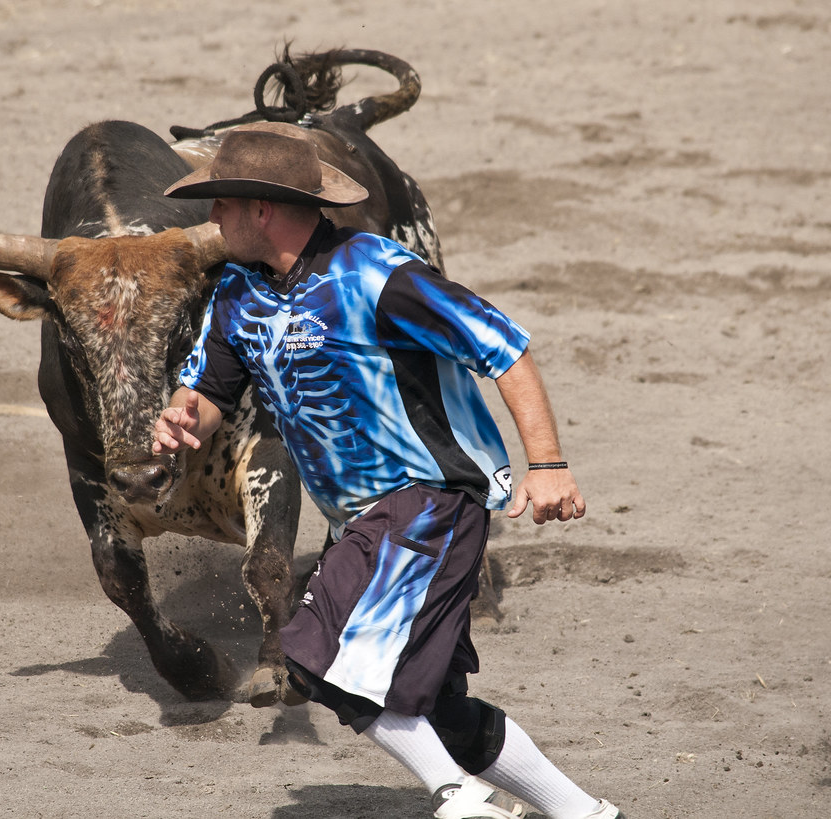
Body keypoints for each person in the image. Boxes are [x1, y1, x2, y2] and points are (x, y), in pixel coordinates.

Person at [154, 124, 626, 819]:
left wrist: (548, 464)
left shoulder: (377, 275)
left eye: (220, 202)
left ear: (261, 208)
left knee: (312, 653)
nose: (211, 216)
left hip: (429, 503)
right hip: (365, 521)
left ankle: (458, 797)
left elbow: (505, 348)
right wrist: (183, 416)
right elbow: (212, 392)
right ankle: (587, 813)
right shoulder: (237, 294)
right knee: (436, 707)